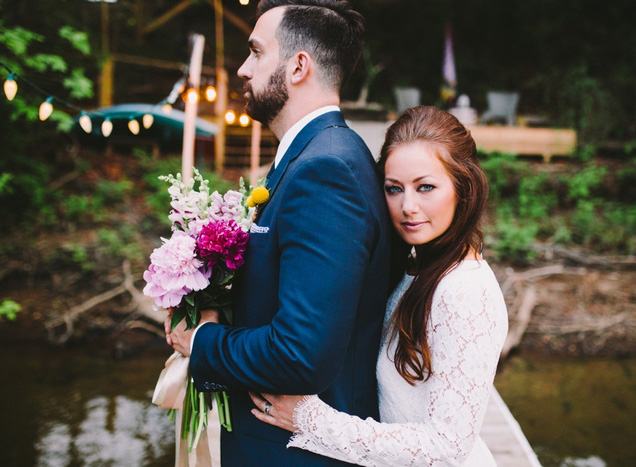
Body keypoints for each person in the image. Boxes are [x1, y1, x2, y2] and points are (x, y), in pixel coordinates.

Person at [166, 1, 391, 466]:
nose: (244, 69)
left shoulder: (326, 170)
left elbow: (301, 353)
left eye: (255, 52)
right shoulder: (309, 158)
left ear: (298, 66)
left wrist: (202, 341)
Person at [248, 106, 509, 466]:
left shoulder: (466, 291)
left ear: (464, 187)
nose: (408, 207)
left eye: (426, 187)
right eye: (393, 189)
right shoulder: (417, 267)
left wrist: (311, 420)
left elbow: (447, 447)